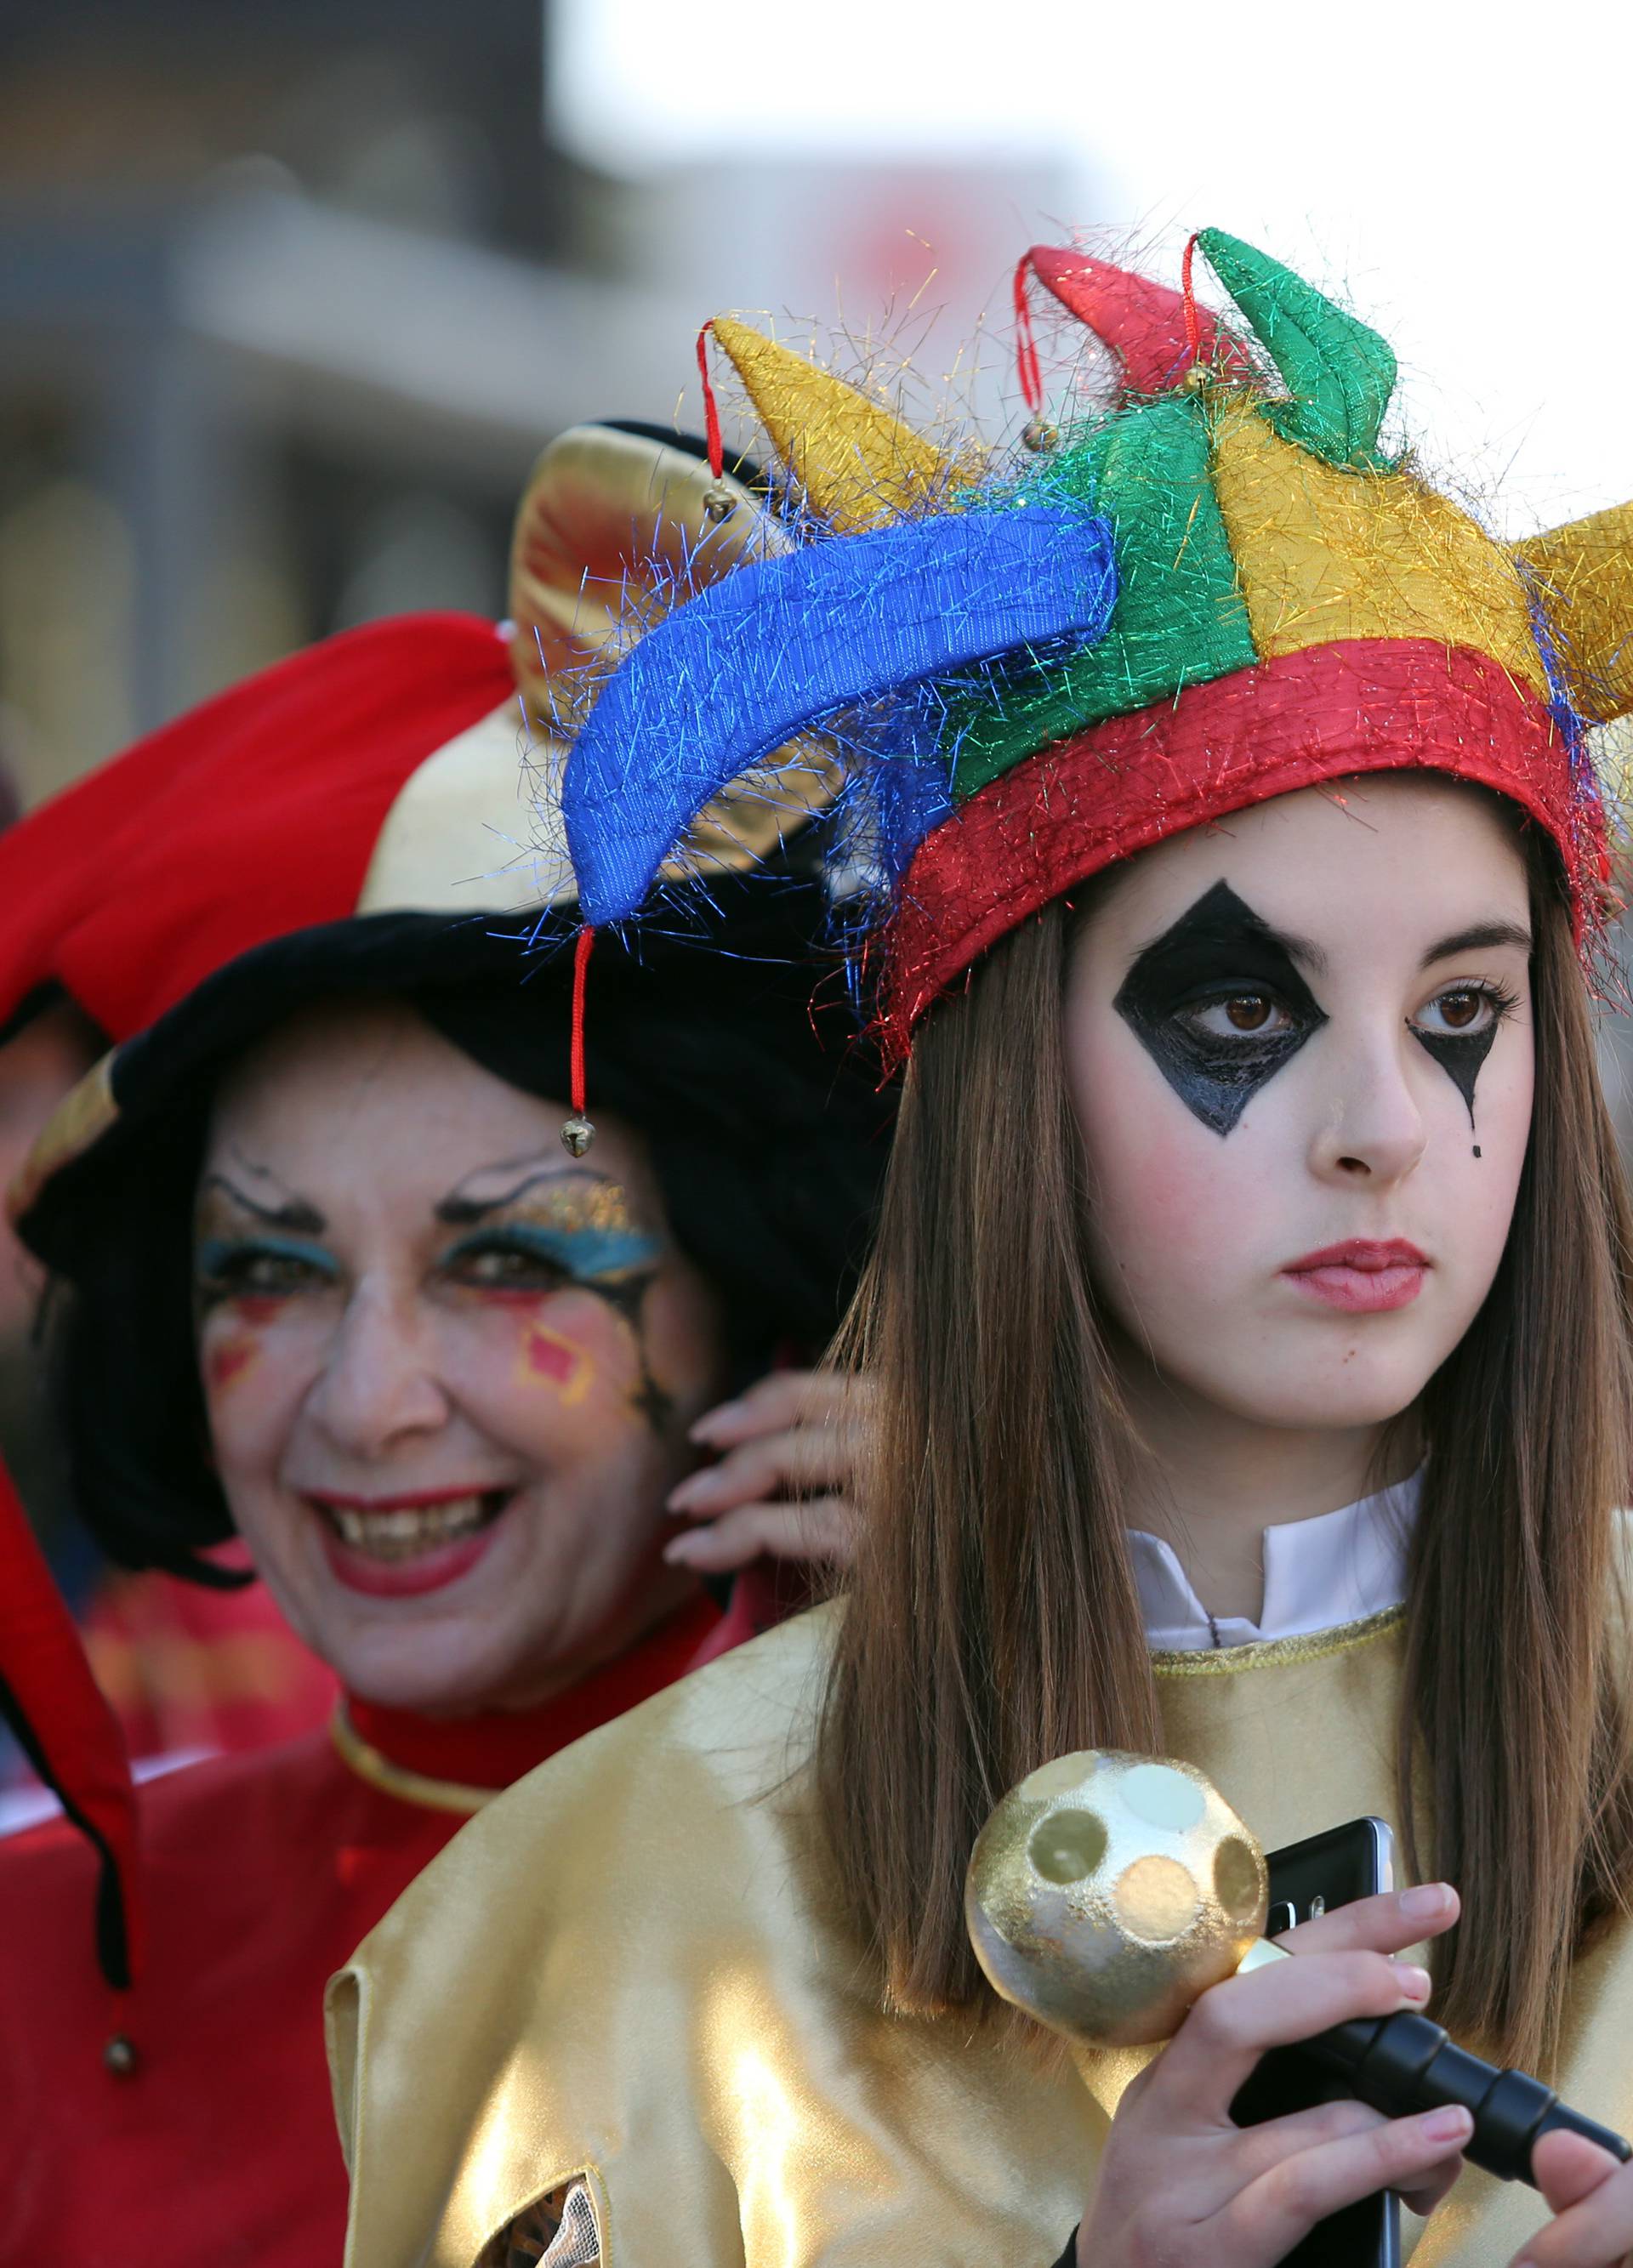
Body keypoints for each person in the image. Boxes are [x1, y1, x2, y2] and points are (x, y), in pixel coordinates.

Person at [331, 231, 1633, 2268]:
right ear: (1006, 1075)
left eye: (1464, 1012)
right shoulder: (625, 1899)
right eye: (1239, 1014)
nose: (1387, 1121)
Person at [0, 418, 886, 2267]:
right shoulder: (30, 1959)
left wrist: (1026, 1660)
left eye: (507, 1259)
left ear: (748, 1288)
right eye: (267, 1271)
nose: (365, 1397)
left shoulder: (1033, 1891)